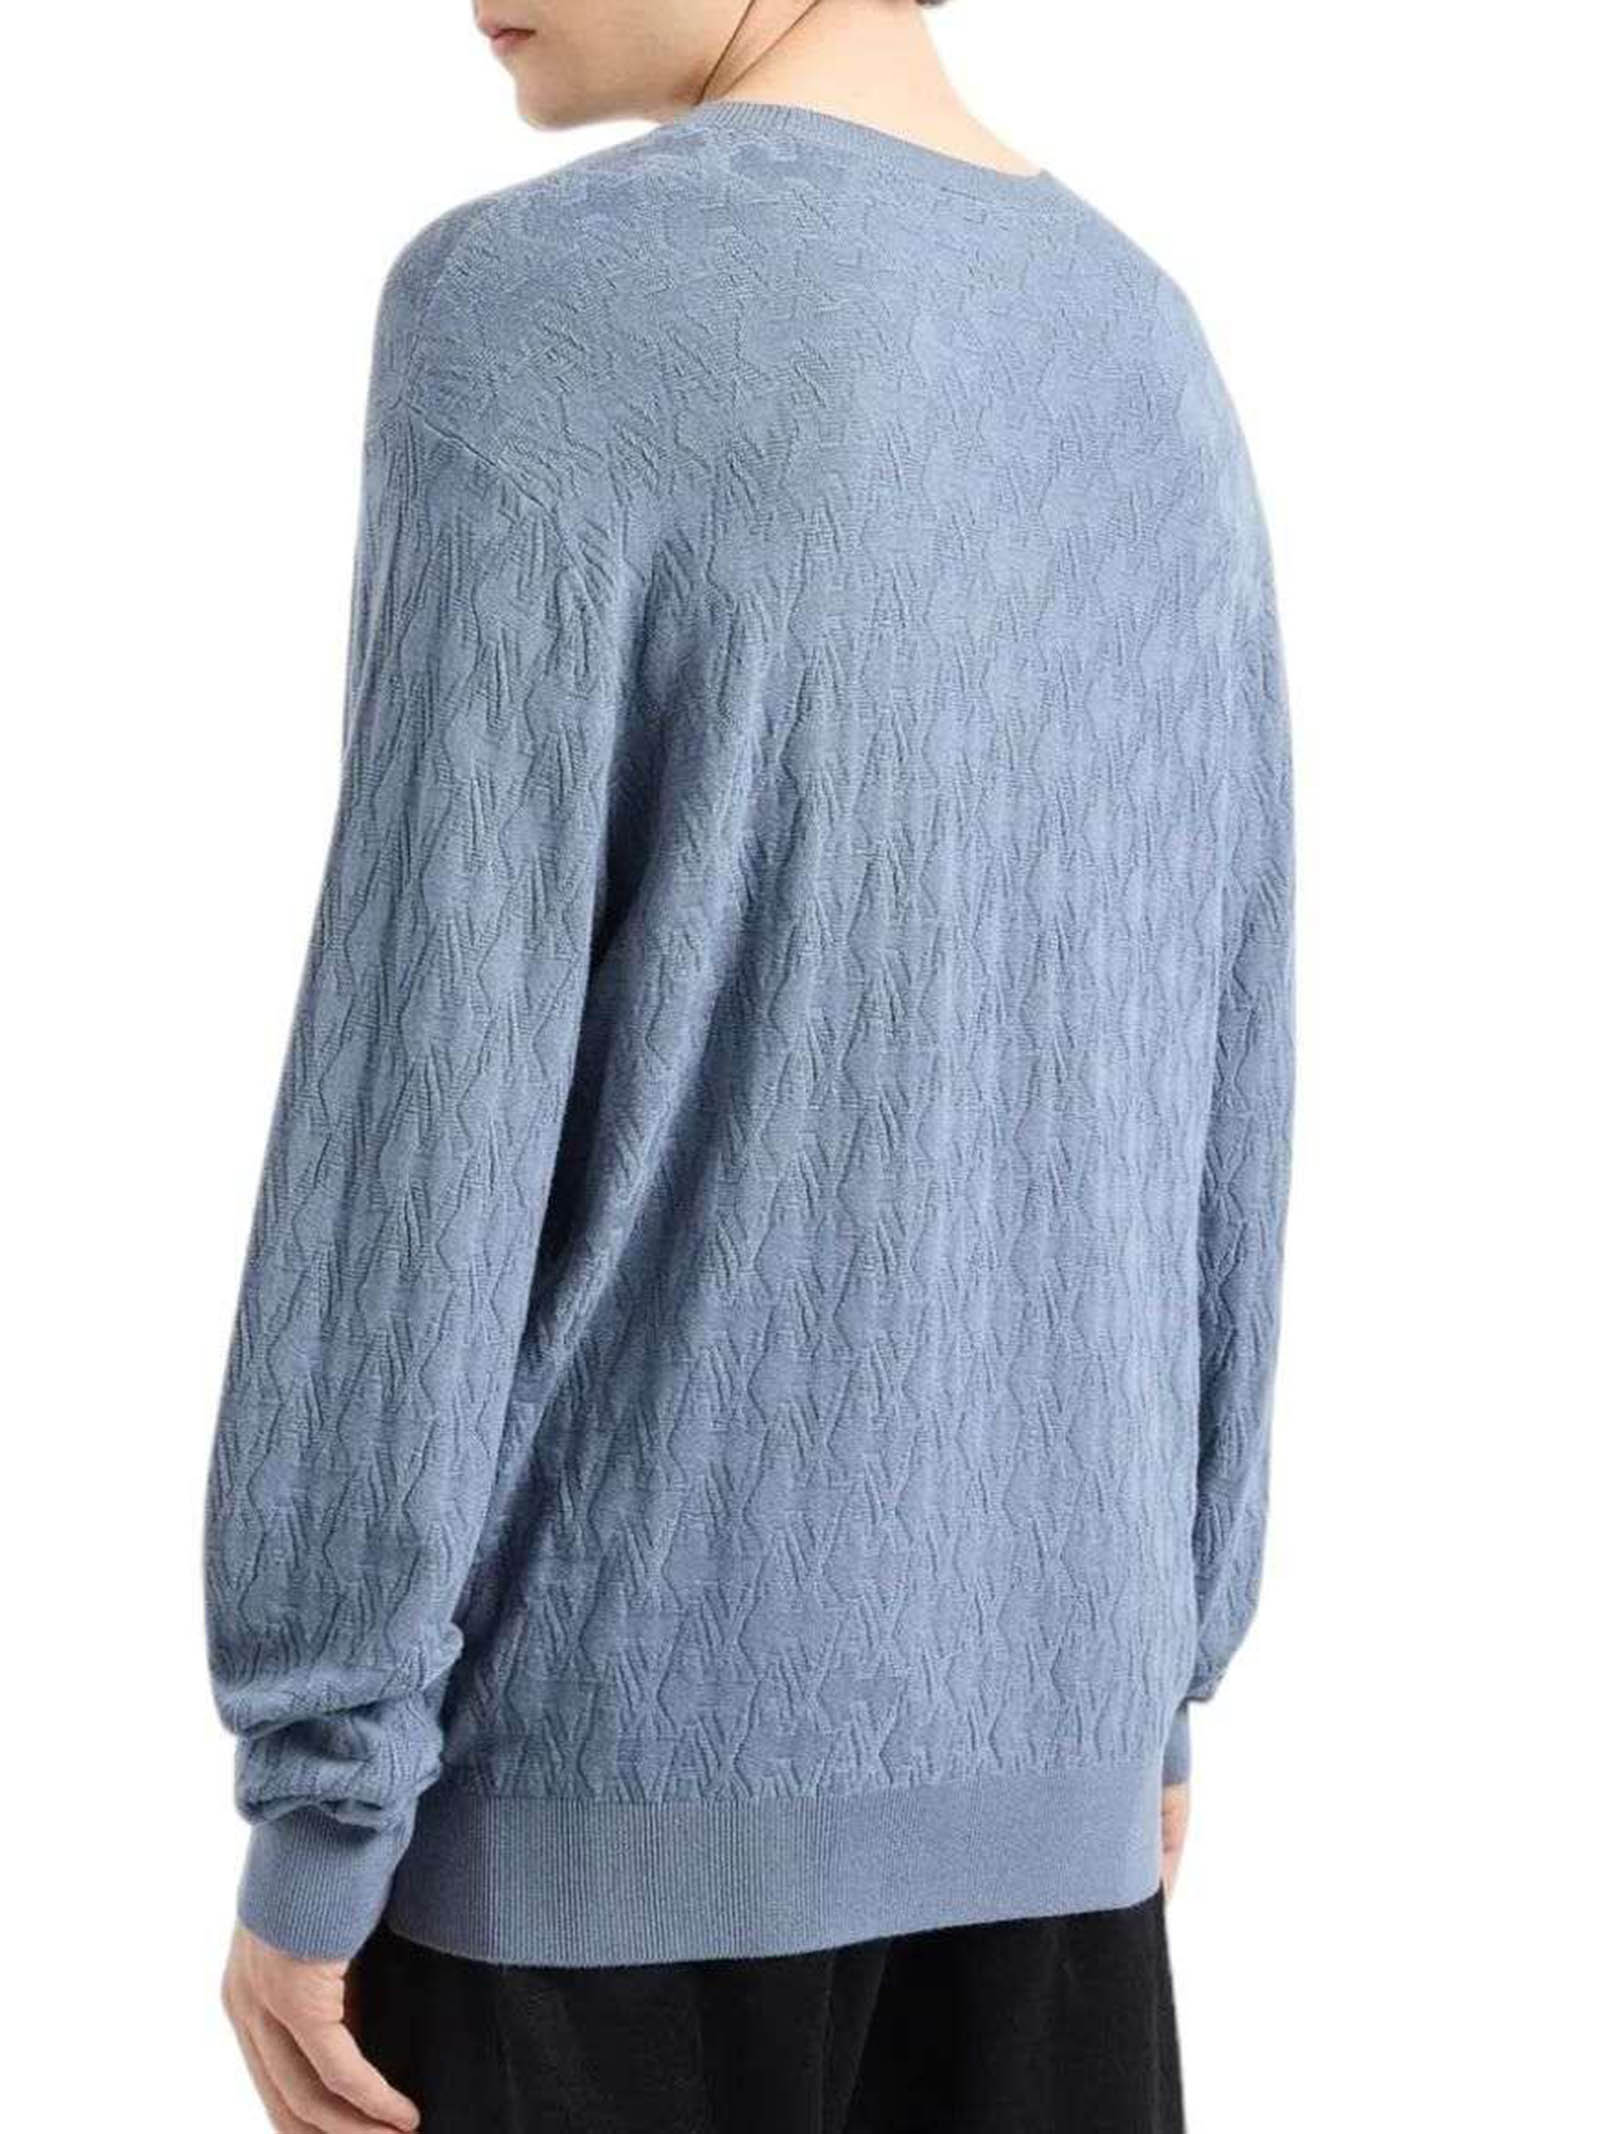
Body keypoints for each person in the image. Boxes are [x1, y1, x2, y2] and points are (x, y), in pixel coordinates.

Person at [202, 1, 1295, 2128]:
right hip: (1061, 1822)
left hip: (596, 1850)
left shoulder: (532, 309)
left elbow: (420, 1090)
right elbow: (1220, 1073)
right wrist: (1147, 1679)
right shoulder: (1142, 341)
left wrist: (322, 1784)